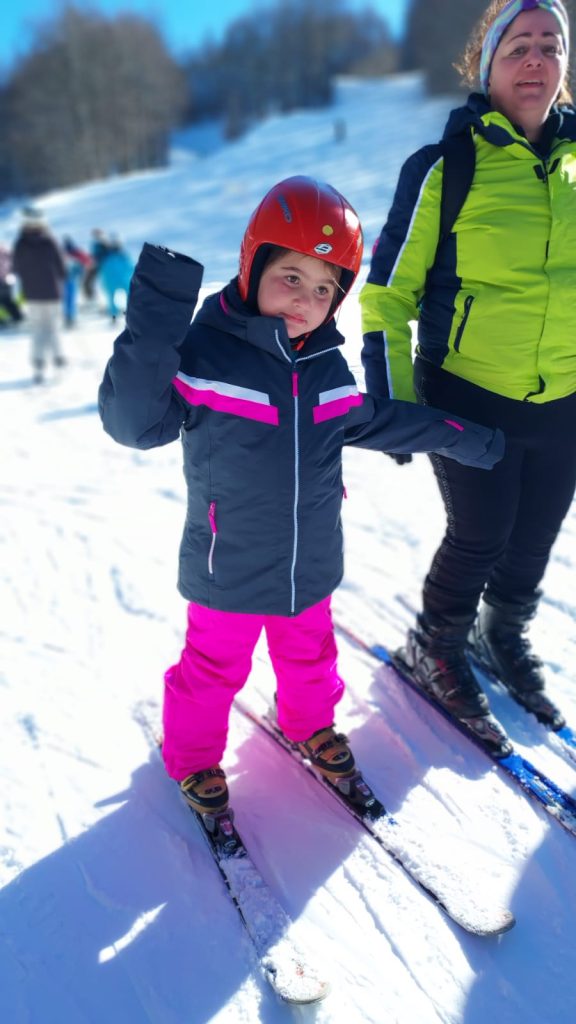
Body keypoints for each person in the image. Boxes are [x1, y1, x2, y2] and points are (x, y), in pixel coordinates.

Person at [98, 176, 503, 817]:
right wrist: (155, 322)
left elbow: (380, 418)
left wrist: (464, 437)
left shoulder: (325, 367)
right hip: (225, 565)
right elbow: (133, 424)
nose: (305, 300)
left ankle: (310, 725)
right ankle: (194, 758)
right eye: (291, 276)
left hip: (309, 563)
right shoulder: (203, 356)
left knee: (311, 657)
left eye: (324, 289)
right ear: (253, 263)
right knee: (211, 671)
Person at [359, 0, 574, 753]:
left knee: (535, 537)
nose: (536, 59)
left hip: (564, 397)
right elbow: (388, 293)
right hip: (467, 394)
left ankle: (499, 633)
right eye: (519, 46)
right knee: (480, 534)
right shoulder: (447, 166)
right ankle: (435, 644)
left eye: (551, 45)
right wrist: (393, 403)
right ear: (488, 66)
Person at [12, 207, 67, 383]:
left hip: (32, 294)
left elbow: (16, 269)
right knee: (53, 328)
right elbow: (61, 268)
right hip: (51, 292)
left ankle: (38, 365)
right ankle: (58, 361)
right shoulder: (49, 241)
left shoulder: (20, 243)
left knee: (37, 329)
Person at [90, 229, 134, 322]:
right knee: (130, 295)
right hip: (123, 279)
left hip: (110, 280)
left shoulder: (106, 256)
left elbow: (100, 266)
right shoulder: (123, 255)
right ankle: (131, 314)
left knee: (111, 298)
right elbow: (131, 266)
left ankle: (114, 316)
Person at [62, 236, 93, 327]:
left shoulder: (63, 252)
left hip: (65, 278)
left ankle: (68, 316)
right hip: (72, 277)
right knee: (71, 297)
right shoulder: (76, 252)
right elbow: (88, 261)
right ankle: (70, 316)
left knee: (67, 297)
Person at [0, 243, 24, 325]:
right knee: (6, 300)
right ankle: (17, 316)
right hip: (7, 278)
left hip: (3, 279)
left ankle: (17, 316)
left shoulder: (4, 250)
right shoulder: (6, 249)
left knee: (5, 300)